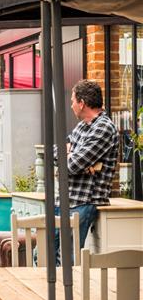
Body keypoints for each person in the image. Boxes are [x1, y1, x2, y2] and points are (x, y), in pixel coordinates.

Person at [54, 80, 119, 255]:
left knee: (68, 258)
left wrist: (70, 155)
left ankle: (65, 284)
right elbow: (55, 150)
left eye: (73, 101)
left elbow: (72, 165)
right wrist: (70, 155)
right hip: (64, 200)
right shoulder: (83, 126)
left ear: (82, 103)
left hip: (83, 202)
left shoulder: (104, 128)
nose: (71, 105)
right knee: (44, 254)